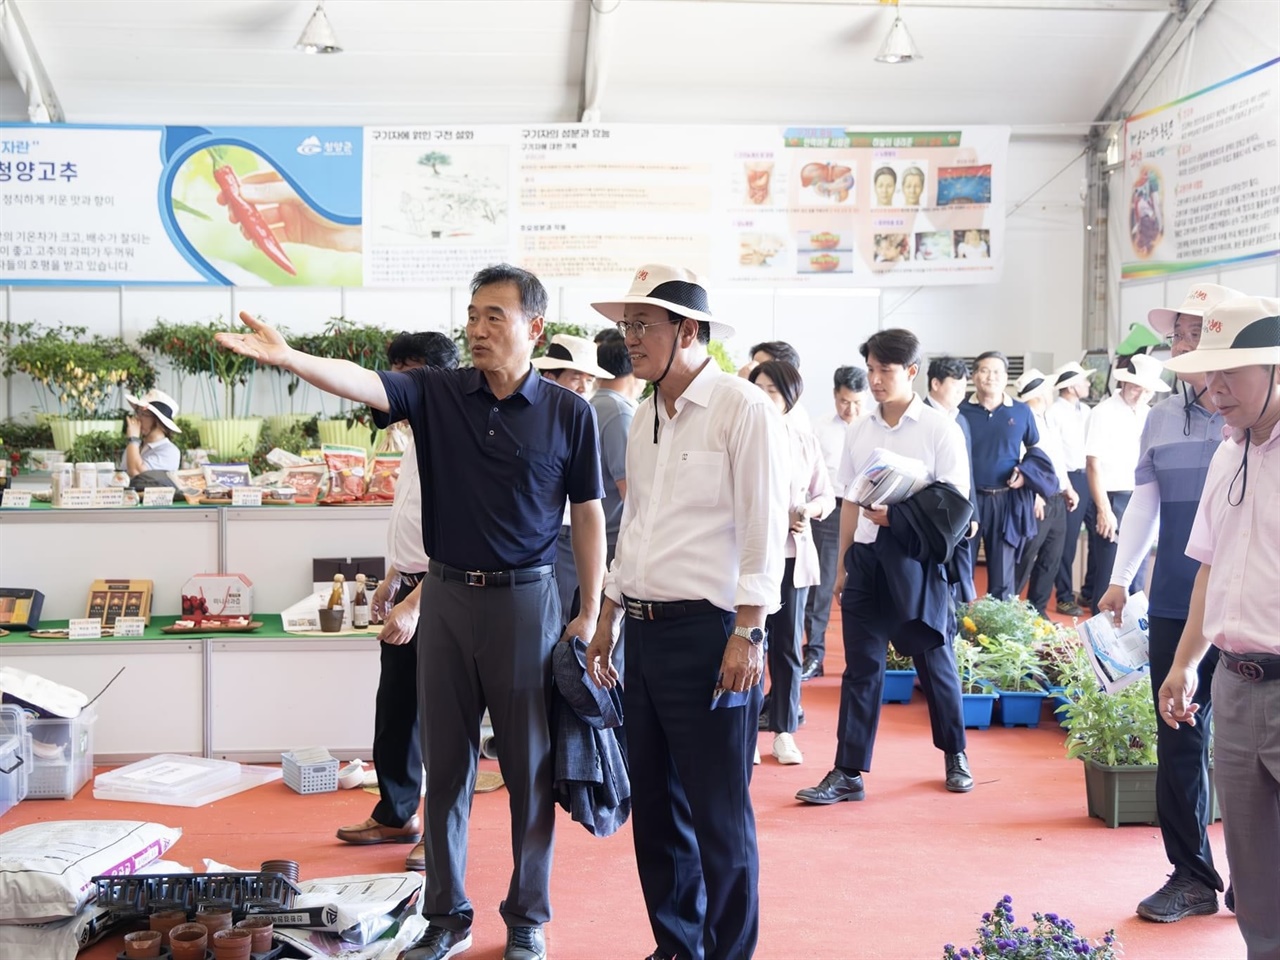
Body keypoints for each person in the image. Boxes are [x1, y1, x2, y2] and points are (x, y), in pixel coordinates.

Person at [214, 263, 606, 960]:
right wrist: (290, 357)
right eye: (474, 314)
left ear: (534, 327)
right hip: (448, 598)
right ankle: (445, 917)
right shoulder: (436, 393)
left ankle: (527, 918)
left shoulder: (569, 412)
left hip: (528, 603)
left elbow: (588, 515)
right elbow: (362, 381)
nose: (479, 328)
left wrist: (591, 611)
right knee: (447, 770)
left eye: (496, 317)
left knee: (530, 770)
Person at [584, 264, 788, 960]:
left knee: (719, 816)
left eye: (643, 325)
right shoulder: (646, 416)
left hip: (712, 638)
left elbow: (764, 532)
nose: (630, 339)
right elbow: (635, 524)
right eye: (626, 326)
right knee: (658, 816)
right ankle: (678, 947)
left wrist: (748, 632)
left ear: (689, 331)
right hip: (642, 635)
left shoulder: (742, 409)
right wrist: (607, 611)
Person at [1097, 283, 1241, 923]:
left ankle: (1255, 876)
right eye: (1175, 334)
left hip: (1243, 607)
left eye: (1189, 333)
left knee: (1248, 745)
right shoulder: (1159, 417)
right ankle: (1190, 876)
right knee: (1179, 732)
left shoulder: (1248, 416)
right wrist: (1122, 577)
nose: (1177, 344)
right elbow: (1146, 504)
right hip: (1178, 601)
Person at [797, 328, 974, 806]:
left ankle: (955, 753)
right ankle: (848, 771)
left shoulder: (940, 429)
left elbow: (957, 505)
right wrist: (842, 567)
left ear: (912, 372)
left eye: (885, 371)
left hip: (915, 562)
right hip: (867, 561)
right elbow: (849, 501)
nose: (875, 380)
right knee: (861, 668)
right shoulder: (861, 429)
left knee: (934, 660)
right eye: (871, 370)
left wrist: (900, 514)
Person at [1157, 294, 1280, 959]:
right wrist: (1184, 664)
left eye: (1232, 372)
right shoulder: (1227, 456)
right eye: (1210, 372)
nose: (1215, 388)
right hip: (1233, 688)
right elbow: (1209, 569)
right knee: (1254, 876)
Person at [336, 331, 460, 873]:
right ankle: (395, 812)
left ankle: (440, 833)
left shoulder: (453, 439)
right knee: (396, 713)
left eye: (401, 378)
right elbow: (415, 526)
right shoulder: (412, 440)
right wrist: (393, 578)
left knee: (442, 722)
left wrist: (416, 603)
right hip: (411, 584)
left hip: (444, 590)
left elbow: (462, 537)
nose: (387, 390)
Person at [749, 360, 834, 765]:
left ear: (789, 396)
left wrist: (808, 510)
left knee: (786, 647)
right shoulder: (742, 436)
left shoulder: (803, 440)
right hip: (748, 558)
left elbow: (827, 496)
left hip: (791, 556)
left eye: (772, 390)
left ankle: (783, 731)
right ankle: (745, 732)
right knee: (746, 643)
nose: (764, 396)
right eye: (759, 388)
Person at [533, 334, 612, 621]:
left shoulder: (580, 416)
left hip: (571, 534)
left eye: (589, 379)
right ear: (550, 376)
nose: (583, 386)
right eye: (576, 376)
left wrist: (598, 562)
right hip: (545, 538)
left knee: (569, 622)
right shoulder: (530, 415)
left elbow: (590, 499)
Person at [1083, 352, 1169, 615]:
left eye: (1147, 390)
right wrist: (1103, 510)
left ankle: (1131, 645)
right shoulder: (1103, 412)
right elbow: (1092, 464)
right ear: (1124, 383)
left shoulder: (1151, 414)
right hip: (1112, 498)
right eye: (1135, 387)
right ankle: (1099, 647)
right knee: (1110, 575)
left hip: (1143, 496)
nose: (1140, 394)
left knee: (1138, 575)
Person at [802, 365, 868, 681]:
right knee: (823, 585)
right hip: (831, 512)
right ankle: (814, 654)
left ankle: (872, 659)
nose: (851, 409)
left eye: (857, 402)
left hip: (871, 513)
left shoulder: (873, 427)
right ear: (834, 395)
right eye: (844, 401)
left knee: (870, 585)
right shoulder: (818, 428)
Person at [957, 351, 1039, 600]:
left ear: (1006, 378)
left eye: (997, 372)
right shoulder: (960, 411)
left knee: (1003, 574)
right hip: (966, 500)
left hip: (1005, 501)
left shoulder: (1022, 412)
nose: (990, 377)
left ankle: (999, 634)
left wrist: (1025, 474)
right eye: (984, 370)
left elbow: (1035, 451)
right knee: (961, 568)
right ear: (974, 376)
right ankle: (957, 632)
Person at [1010, 369, 1079, 617]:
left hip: (1057, 497)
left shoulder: (1046, 418)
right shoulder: (1022, 419)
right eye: (1047, 389)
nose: (1051, 393)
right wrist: (1034, 494)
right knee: (1026, 557)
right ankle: (1008, 609)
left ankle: (1037, 611)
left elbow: (1056, 459)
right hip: (1036, 499)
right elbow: (1020, 462)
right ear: (1039, 392)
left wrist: (1068, 487)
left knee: (1051, 557)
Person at [923, 356, 979, 601]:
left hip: (957, 514)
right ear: (936, 384)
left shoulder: (960, 419)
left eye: (963, 388)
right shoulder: (921, 418)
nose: (961, 393)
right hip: (928, 514)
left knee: (956, 580)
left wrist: (972, 512)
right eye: (956, 387)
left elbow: (967, 471)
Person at [1048, 361, 1096, 615]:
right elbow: (1055, 454)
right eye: (1084, 380)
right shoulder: (1054, 412)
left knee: (1099, 538)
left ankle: (1088, 592)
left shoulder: (1088, 410)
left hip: (1091, 476)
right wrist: (1066, 486)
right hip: (1069, 480)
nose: (1088, 384)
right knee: (1067, 543)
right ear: (1070, 386)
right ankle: (1064, 596)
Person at [121, 389, 182, 477]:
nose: (137, 418)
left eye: (143, 414)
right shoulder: (135, 446)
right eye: (138, 412)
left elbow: (137, 473)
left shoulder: (170, 451)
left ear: (158, 421)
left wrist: (133, 440)